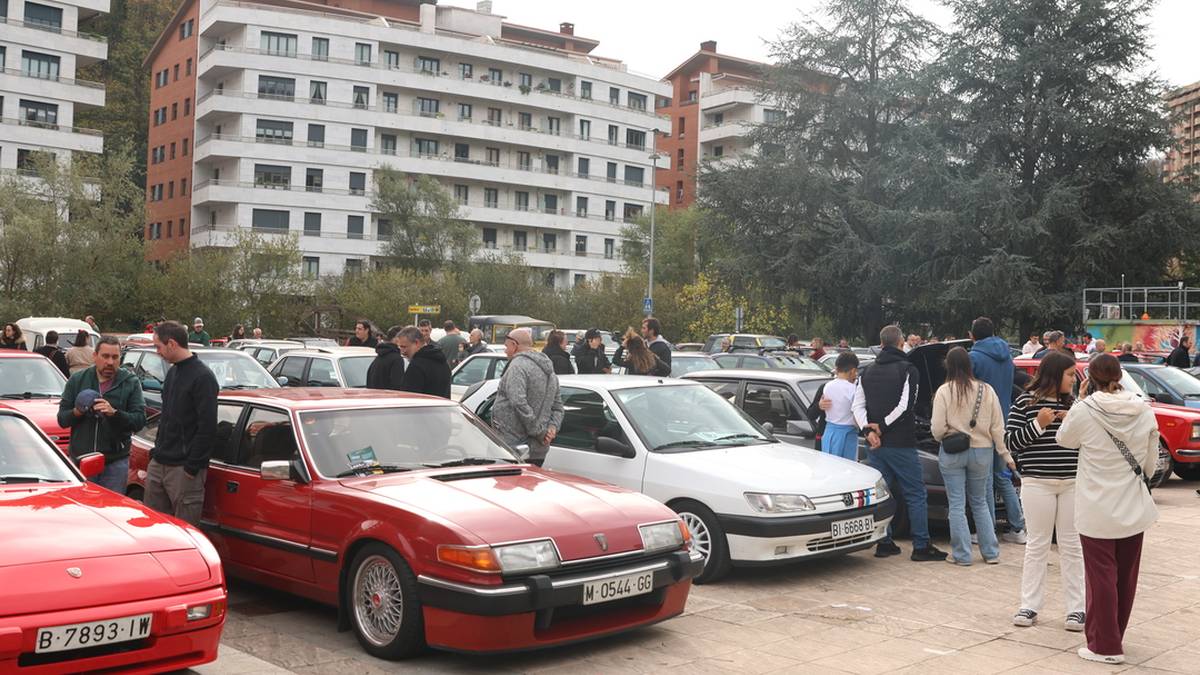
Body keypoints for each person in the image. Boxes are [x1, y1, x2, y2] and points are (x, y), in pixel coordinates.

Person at [1056, 353, 1159, 665]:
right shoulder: (1144, 410)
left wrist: (1081, 399)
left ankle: (1106, 645)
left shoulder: (1084, 410)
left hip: (1095, 506)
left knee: (1100, 576)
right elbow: (1151, 463)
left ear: (1090, 378)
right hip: (1133, 505)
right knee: (1126, 576)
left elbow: (1064, 440)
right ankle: (1116, 636)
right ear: (1120, 375)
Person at [1006, 351, 1085, 632]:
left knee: (1072, 546)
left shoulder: (1073, 404)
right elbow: (1012, 442)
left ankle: (1077, 609)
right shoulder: (1025, 402)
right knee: (1037, 545)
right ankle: (1029, 606)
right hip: (1037, 482)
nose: (1074, 379)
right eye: (1070, 374)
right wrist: (1039, 423)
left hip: (1072, 483)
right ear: (1054, 375)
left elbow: (1085, 442)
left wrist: (1073, 418)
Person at [853, 325, 946, 561]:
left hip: (876, 445)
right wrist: (881, 427)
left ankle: (884, 542)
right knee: (915, 493)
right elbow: (906, 406)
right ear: (900, 341)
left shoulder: (867, 372)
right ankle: (921, 545)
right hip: (901, 443)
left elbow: (857, 406)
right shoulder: (908, 370)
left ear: (881, 344)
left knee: (883, 494)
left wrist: (869, 430)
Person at [931, 346, 1016, 566]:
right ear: (970, 365)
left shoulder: (944, 391)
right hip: (983, 451)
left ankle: (962, 555)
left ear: (948, 366)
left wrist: (947, 435)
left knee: (957, 505)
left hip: (952, 452)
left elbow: (937, 429)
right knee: (980, 503)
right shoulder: (987, 390)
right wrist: (1005, 454)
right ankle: (991, 553)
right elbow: (998, 427)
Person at [144, 322, 218, 526]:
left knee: (184, 531)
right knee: (156, 528)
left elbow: (208, 427)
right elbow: (167, 416)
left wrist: (192, 467)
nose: (157, 352)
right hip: (160, 462)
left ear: (172, 344)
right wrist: (156, 453)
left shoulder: (203, 377)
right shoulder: (173, 373)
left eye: (158, 346)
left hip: (184, 469)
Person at [56, 336, 146, 493]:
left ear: (120, 358)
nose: (110, 362)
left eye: (115, 357)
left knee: (111, 512)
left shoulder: (130, 382)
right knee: (83, 511)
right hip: (82, 461)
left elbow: (139, 420)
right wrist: (78, 412)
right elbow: (62, 419)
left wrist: (115, 414)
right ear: (95, 356)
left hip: (115, 462)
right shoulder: (78, 380)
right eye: (105, 356)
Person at [968, 317, 1027, 544]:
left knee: (984, 480)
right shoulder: (1007, 355)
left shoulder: (974, 358)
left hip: (982, 424)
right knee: (1002, 476)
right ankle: (1018, 528)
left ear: (973, 335)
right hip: (1005, 419)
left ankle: (987, 530)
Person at [491, 327, 564, 464]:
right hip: (539, 450)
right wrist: (552, 429)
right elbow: (558, 407)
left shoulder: (517, 366)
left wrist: (539, 432)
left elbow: (518, 402)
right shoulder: (549, 370)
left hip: (513, 448)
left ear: (514, 345)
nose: (505, 350)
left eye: (506, 346)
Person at [817, 352, 860, 460]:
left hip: (829, 431)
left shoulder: (827, 386)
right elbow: (857, 414)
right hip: (848, 434)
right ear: (853, 371)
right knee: (848, 469)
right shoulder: (853, 389)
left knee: (830, 467)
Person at [396, 326, 451, 398]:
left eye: (404, 347)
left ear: (416, 342)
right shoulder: (443, 362)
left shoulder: (417, 365)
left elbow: (408, 399)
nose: (402, 352)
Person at [366, 325, 406, 391]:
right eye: (404, 338)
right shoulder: (396, 359)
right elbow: (397, 388)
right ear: (397, 339)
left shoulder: (378, 358)